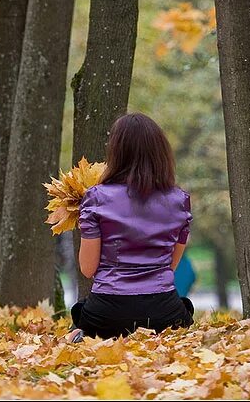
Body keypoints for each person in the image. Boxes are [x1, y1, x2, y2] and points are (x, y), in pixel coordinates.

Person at [67, 112, 195, 342]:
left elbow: (88, 268)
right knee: (185, 308)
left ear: (116, 152)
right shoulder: (180, 200)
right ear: (160, 152)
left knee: (80, 312)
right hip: (163, 311)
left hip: (107, 312)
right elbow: (171, 265)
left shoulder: (96, 198)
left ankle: (81, 334)